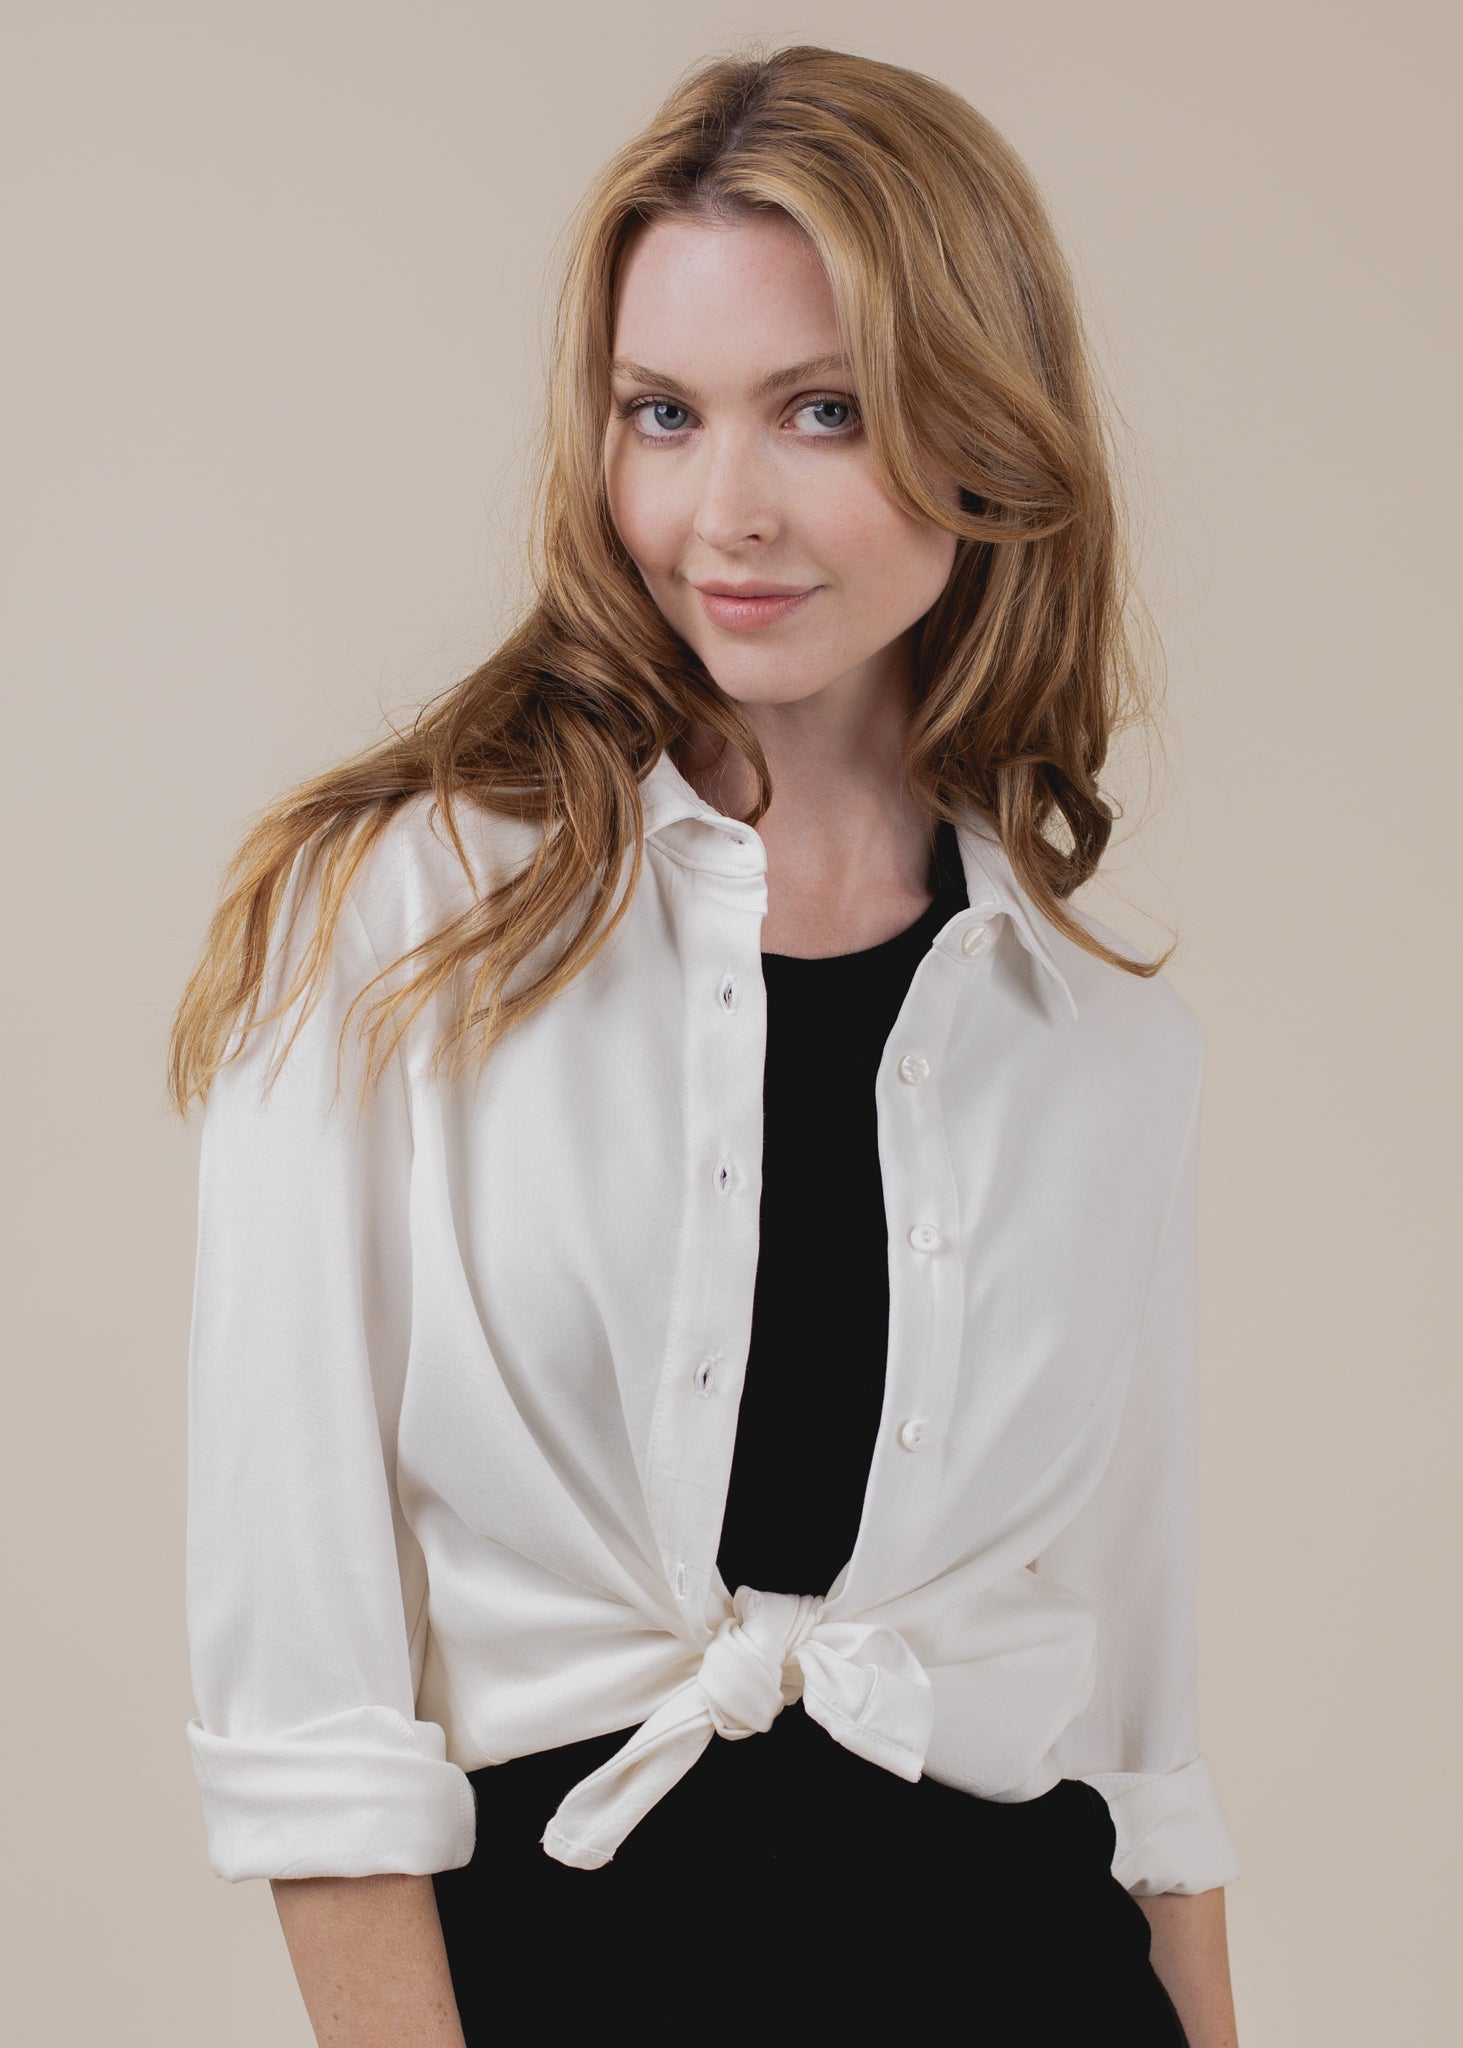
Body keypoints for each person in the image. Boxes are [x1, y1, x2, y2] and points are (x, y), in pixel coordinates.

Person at [169, 39, 1243, 2048]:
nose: (723, 511)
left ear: (985, 440)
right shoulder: (400, 923)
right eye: (663, 415)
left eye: (822, 412)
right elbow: (306, 1710)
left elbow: (1143, 1753)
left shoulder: (1104, 1039)